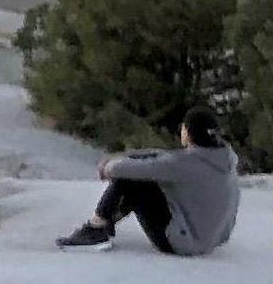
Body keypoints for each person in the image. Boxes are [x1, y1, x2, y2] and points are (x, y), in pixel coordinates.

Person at [58, 109, 241, 254]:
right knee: (143, 173)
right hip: (211, 240)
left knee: (134, 180)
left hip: (183, 243)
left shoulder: (183, 164)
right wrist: (122, 156)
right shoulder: (225, 157)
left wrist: (108, 166)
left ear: (189, 132)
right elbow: (162, 156)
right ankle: (105, 225)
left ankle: (96, 229)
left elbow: (126, 169)